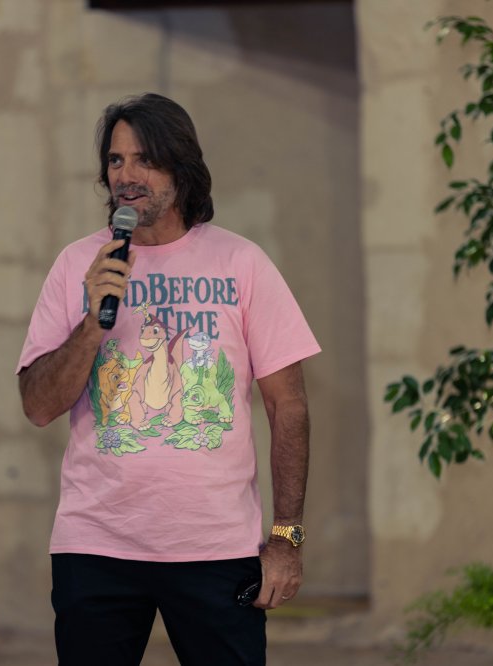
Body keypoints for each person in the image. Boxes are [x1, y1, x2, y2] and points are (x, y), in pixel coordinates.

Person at [16, 92, 320, 666]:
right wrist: (92, 322)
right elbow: (37, 406)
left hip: (215, 546)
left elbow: (290, 407)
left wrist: (287, 538)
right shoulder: (78, 265)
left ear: (182, 169)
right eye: (115, 160)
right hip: (96, 544)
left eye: (145, 160)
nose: (126, 176)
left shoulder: (241, 263)